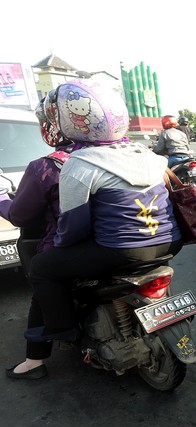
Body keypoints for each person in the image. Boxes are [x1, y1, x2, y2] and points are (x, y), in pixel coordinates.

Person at [13, 80, 182, 371]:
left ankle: (64, 330)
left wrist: (60, 250)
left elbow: (72, 226)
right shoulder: (146, 154)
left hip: (121, 251)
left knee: (42, 267)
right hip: (171, 243)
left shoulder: (79, 163)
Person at [2, 94, 74, 379]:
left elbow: (20, 216)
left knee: (41, 279)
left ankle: (35, 359)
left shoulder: (48, 165)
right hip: (147, 238)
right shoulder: (126, 152)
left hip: (70, 246)